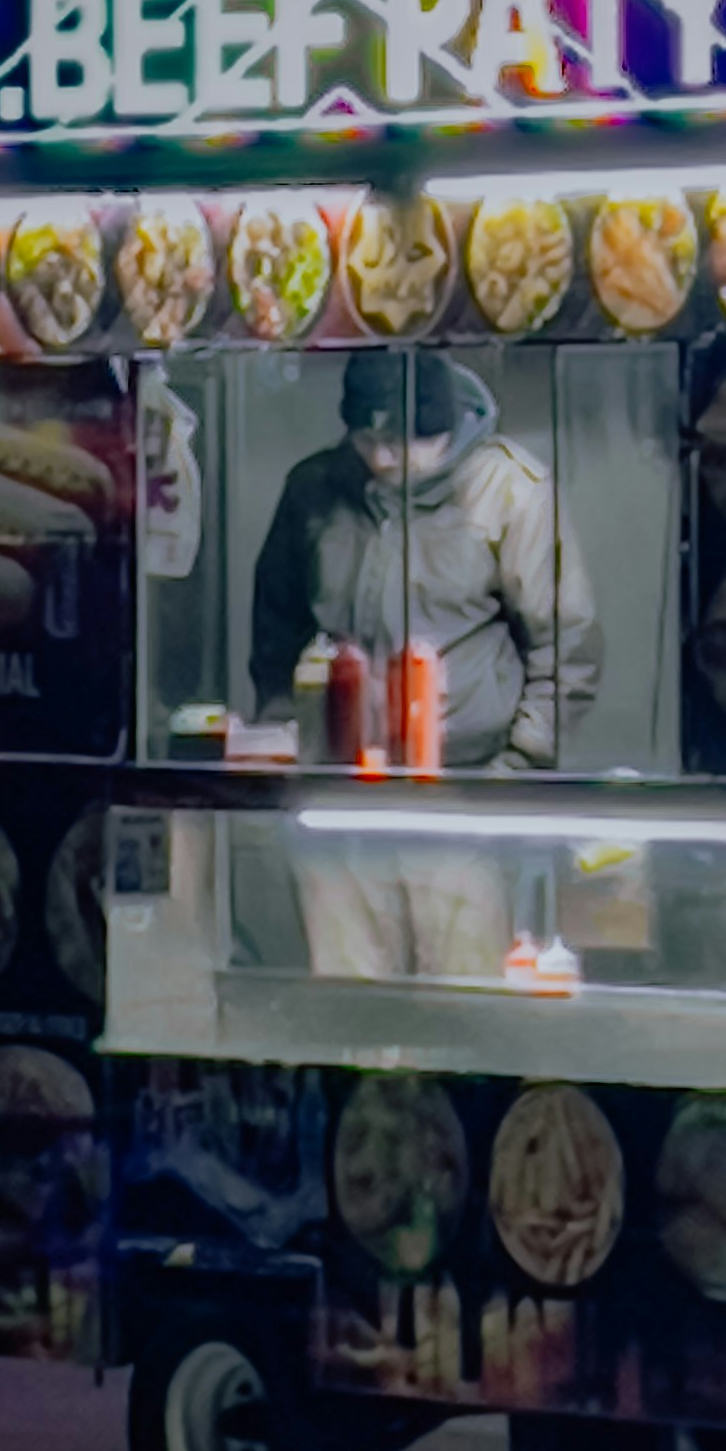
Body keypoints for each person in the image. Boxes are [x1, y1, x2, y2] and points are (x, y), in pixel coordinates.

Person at [251, 349, 600, 979]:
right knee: (348, 1003)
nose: (386, 460)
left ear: (448, 429)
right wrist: (282, 733)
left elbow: (567, 648)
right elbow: (275, 623)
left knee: (462, 1009)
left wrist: (515, 768)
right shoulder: (314, 489)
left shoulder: (511, 492)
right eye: (369, 439)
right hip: (339, 799)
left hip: (464, 797)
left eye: (409, 443)